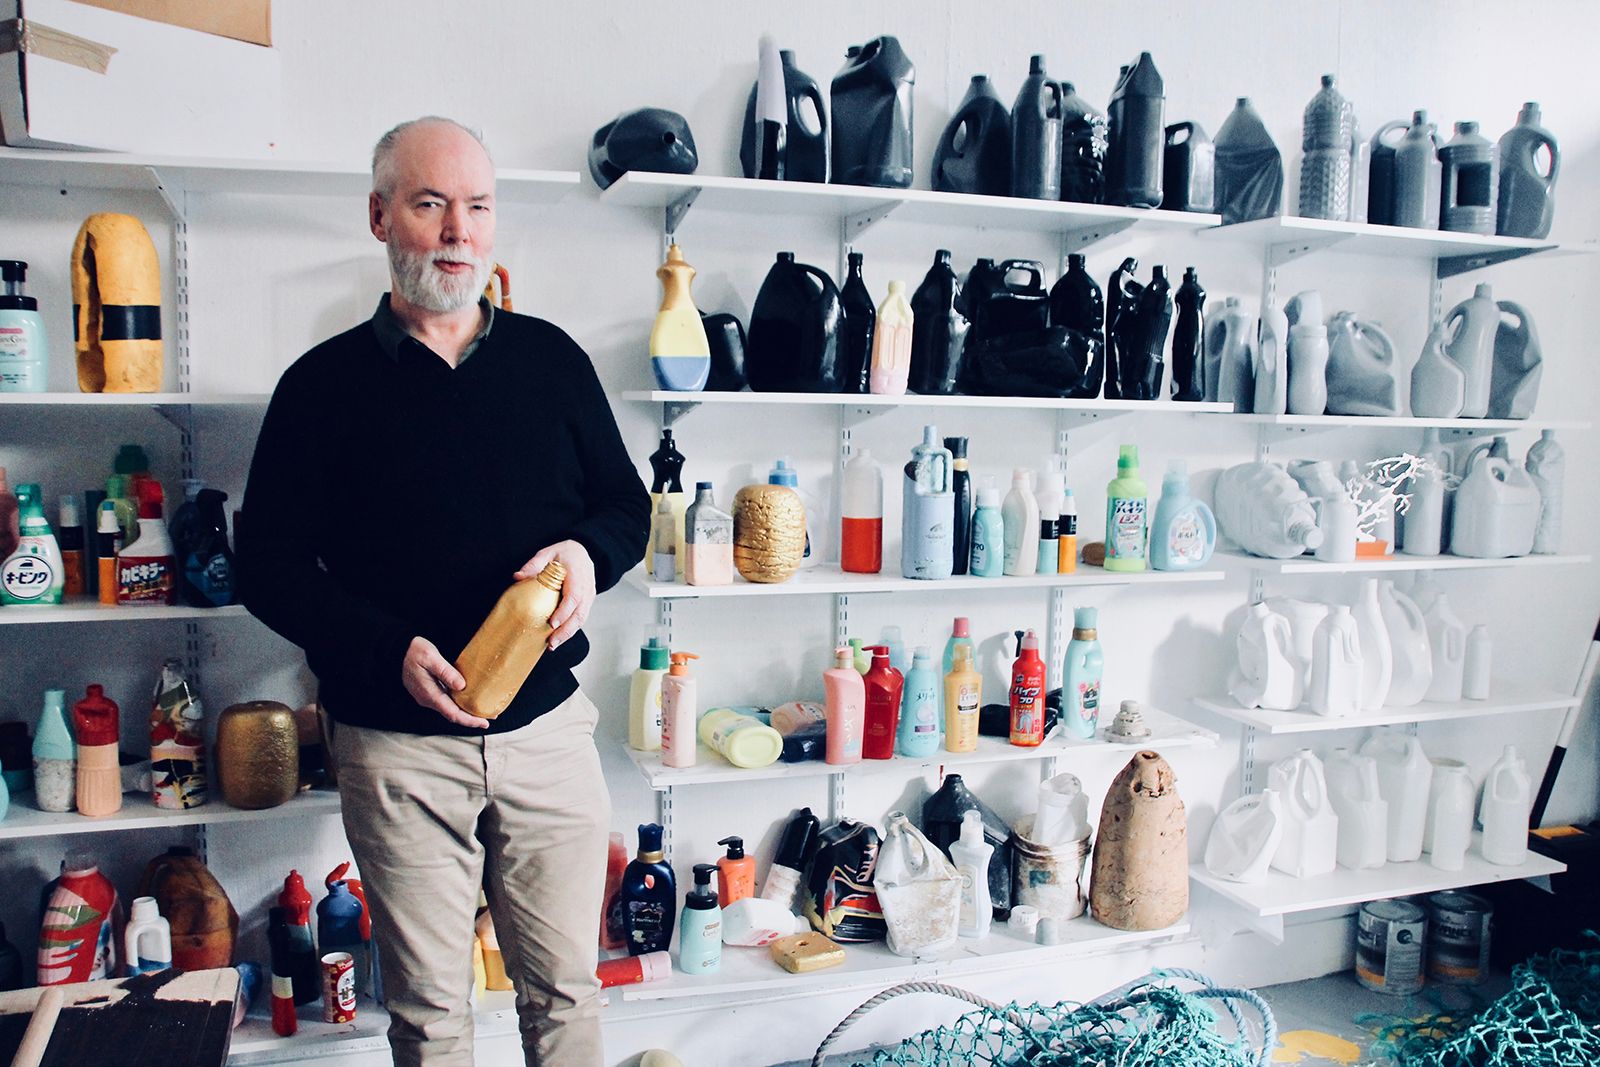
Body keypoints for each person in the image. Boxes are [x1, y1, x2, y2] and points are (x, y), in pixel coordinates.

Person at [239, 116, 648, 1066]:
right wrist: (383, 648)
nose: (458, 230)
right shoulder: (319, 386)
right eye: (430, 205)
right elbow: (267, 565)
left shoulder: (553, 363)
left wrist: (588, 557)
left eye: (476, 207)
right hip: (395, 747)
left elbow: (625, 506)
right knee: (429, 1017)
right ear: (381, 216)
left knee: (567, 994)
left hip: (545, 733)